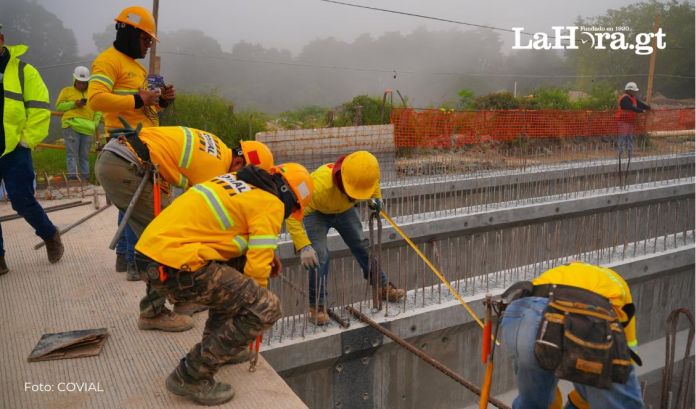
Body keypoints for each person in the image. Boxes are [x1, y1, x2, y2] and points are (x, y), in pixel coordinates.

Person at [134, 163, 313, 406]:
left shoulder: (235, 181)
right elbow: (256, 274)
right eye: (293, 208)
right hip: (177, 265)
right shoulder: (271, 203)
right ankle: (191, 374)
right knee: (265, 307)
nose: (288, 213)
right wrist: (257, 301)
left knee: (235, 279)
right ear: (290, 197)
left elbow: (230, 231)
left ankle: (218, 347)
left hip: (152, 257)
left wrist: (263, 256)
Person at [96, 124, 274, 332]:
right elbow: (203, 222)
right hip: (125, 166)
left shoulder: (216, 146)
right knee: (165, 240)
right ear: (238, 162)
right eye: (247, 177)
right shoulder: (215, 170)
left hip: (120, 157)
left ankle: (183, 298)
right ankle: (152, 313)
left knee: (170, 235)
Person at [88, 6, 176, 276]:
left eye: (150, 41)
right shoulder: (108, 61)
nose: (148, 45)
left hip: (145, 143)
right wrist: (139, 98)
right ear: (130, 33)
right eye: (146, 39)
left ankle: (125, 257)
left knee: (130, 201)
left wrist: (162, 101)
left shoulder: (139, 69)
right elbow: (96, 99)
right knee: (137, 203)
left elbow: (147, 109)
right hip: (125, 145)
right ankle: (135, 260)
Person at [499, 261, 643, 409]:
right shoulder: (619, 288)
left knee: (533, 404)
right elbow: (623, 360)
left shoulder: (560, 272)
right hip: (585, 315)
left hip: (520, 315)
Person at [286, 150, 405, 325]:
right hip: (316, 213)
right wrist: (303, 245)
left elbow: (373, 183)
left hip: (344, 211)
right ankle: (316, 306)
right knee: (319, 255)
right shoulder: (316, 185)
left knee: (362, 245)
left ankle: (382, 286)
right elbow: (292, 212)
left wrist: (376, 199)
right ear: (343, 181)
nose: (358, 197)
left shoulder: (363, 173)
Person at [0, 22, 64, 275]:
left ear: (2, 38)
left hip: (15, 149)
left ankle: (49, 234)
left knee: (22, 201)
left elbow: (39, 109)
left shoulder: (25, 71)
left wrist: (26, 140)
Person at [55, 66, 102, 181]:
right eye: (79, 82)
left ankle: (85, 180)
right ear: (74, 80)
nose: (81, 85)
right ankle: (73, 179)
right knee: (72, 154)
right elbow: (59, 106)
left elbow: (98, 109)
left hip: (87, 129)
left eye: (84, 83)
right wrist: (74, 104)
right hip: (71, 126)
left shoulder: (92, 93)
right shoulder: (66, 91)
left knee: (84, 156)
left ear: (88, 82)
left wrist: (95, 123)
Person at [616, 82, 651, 159]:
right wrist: (641, 111)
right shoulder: (625, 98)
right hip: (623, 121)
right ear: (629, 90)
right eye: (634, 91)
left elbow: (640, 104)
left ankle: (629, 153)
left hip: (630, 122)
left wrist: (648, 108)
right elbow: (631, 107)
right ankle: (620, 154)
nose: (635, 92)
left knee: (630, 137)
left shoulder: (633, 98)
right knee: (623, 137)